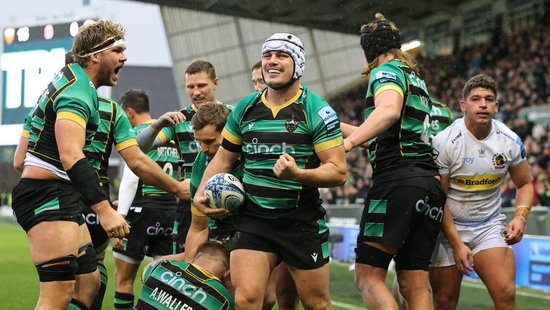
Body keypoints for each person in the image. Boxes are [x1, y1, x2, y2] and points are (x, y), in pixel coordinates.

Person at [193, 32, 347, 309]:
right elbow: (223, 160)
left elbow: (338, 172)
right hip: (253, 218)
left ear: (298, 64)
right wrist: (201, 191)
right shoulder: (245, 108)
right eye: (267, 55)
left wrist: (297, 174)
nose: (272, 61)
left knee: (317, 304)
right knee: (247, 299)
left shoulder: (317, 110)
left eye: (281, 55)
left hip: (300, 220)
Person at [10, 20, 130, 309]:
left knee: (89, 283)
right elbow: (71, 156)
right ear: (95, 55)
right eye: (118, 50)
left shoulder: (68, 80)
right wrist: (105, 212)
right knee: (57, 294)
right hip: (46, 196)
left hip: (55, 193)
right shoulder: (77, 92)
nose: (124, 57)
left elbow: (19, 161)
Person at [343, 13, 446, 309]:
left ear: (368, 51)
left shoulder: (385, 71)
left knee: (368, 276)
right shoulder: (416, 78)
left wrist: (350, 142)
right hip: (429, 185)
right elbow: (386, 133)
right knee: (415, 282)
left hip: (396, 182)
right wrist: (336, 127)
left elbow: (387, 111)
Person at [429, 74, 534, 309]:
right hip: (447, 229)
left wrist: (520, 217)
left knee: (506, 294)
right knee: (445, 300)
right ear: (463, 105)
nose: (483, 104)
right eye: (476, 99)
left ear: (496, 106)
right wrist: (456, 243)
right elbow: (439, 198)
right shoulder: (445, 142)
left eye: (489, 99)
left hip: (488, 226)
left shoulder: (509, 141)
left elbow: (525, 185)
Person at [137, 60, 226, 254]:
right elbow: (141, 146)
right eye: (190, 87)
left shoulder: (233, 115)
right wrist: (157, 124)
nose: (196, 92)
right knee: (190, 262)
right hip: (190, 203)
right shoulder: (179, 119)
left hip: (227, 200)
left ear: (215, 83)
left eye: (201, 85)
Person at [112, 89, 181, 309]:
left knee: (124, 279)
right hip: (171, 212)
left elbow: (131, 179)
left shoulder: (137, 136)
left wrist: (120, 215)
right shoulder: (168, 135)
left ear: (129, 112)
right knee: (162, 281)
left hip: (142, 211)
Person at [136, 241, 235, 309]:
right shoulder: (223, 298)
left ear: (194, 258)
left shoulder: (162, 267)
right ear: (226, 272)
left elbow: (148, 267)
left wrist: (185, 255)